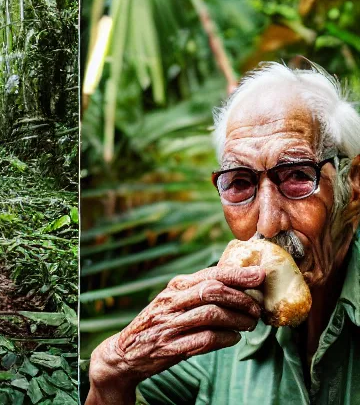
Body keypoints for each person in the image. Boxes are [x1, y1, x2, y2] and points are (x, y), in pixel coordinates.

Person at [86, 62, 360, 404]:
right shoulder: (214, 312)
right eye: (240, 184)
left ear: (354, 184)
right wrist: (113, 372)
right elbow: (116, 385)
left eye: (296, 177)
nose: (266, 225)